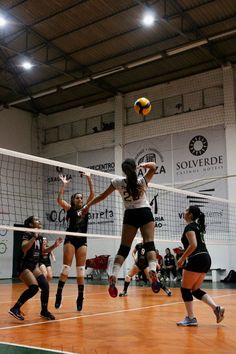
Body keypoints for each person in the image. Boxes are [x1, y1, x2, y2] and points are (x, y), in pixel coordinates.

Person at [81, 158, 161, 297]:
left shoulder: (117, 182)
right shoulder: (141, 181)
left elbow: (102, 196)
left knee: (124, 248)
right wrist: (144, 165)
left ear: (124, 170)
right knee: (149, 244)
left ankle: (114, 274)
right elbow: (154, 167)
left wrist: (87, 206)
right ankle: (153, 269)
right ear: (134, 168)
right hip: (145, 212)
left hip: (130, 214)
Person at [176, 205, 225, 326]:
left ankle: (191, 318)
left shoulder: (189, 227)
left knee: (185, 289)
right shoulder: (198, 227)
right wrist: (183, 252)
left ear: (190, 214)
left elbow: (193, 245)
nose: (184, 211)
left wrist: (181, 259)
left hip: (197, 259)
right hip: (206, 258)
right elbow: (194, 245)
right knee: (195, 290)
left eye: (186, 210)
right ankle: (216, 308)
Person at [9, 216, 63, 321]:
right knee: (34, 288)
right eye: (36, 220)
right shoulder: (27, 234)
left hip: (33, 265)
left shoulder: (40, 237)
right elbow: (24, 248)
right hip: (23, 265)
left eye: (39, 219)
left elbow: (43, 251)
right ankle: (15, 308)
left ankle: (44, 311)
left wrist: (54, 246)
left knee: (45, 286)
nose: (39, 221)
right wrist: (34, 237)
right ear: (30, 224)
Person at [55, 173, 94, 311]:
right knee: (66, 268)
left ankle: (80, 297)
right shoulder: (69, 209)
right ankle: (59, 293)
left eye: (81, 198)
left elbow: (92, 195)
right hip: (70, 240)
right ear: (73, 200)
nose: (80, 199)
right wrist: (63, 185)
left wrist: (89, 178)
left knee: (80, 271)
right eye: (77, 198)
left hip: (82, 241)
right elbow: (59, 199)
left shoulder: (85, 208)